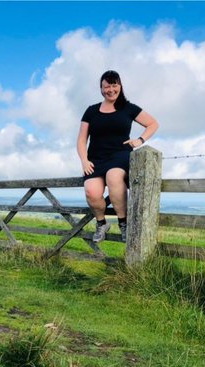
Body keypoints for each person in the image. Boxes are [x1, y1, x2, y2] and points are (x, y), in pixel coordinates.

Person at [77, 70, 159, 245]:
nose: (111, 89)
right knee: (92, 191)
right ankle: (102, 223)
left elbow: (153, 123)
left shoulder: (128, 108)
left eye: (114, 85)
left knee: (114, 177)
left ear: (120, 86)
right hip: (95, 159)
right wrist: (84, 160)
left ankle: (124, 224)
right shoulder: (91, 111)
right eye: (107, 86)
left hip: (120, 156)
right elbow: (82, 139)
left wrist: (140, 140)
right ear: (101, 88)